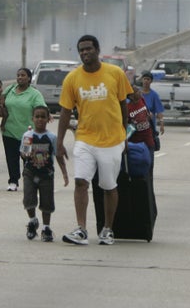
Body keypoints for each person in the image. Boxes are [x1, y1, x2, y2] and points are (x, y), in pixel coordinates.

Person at [56, 35, 132, 246]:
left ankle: (107, 229)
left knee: (108, 186)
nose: (85, 53)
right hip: (85, 139)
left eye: (88, 49)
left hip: (112, 140)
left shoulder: (115, 73)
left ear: (97, 50)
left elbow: (124, 105)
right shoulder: (72, 79)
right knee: (80, 181)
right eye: (81, 50)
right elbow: (65, 112)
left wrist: (124, 135)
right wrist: (59, 142)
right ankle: (81, 229)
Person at [20, 105, 69, 242]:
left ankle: (46, 228)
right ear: (32, 119)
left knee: (47, 200)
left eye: (43, 117)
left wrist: (65, 173)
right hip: (30, 172)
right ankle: (32, 221)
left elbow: (58, 155)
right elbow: (23, 154)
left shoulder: (51, 137)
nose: (40, 120)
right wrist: (25, 154)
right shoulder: (28, 135)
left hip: (46, 174)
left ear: (48, 119)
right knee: (29, 198)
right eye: (37, 117)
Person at [1, 67, 47, 192]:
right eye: (18, 75)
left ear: (29, 78)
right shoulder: (10, 89)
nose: (20, 77)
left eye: (23, 75)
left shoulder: (34, 94)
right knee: (11, 158)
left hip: (27, 134)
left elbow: (41, 108)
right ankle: (13, 181)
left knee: (28, 158)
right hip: (9, 131)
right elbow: (0, 102)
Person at [126, 85, 156, 173]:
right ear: (131, 96)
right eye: (137, 91)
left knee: (150, 166)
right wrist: (132, 125)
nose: (140, 93)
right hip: (137, 144)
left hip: (148, 140)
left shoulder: (142, 100)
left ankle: (149, 185)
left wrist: (149, 116)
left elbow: (148, 113)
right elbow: (125, 125)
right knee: (141, 169)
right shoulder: (128, 108)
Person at [138, 71, 165, 149]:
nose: (146, 81)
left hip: (149, 127)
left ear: (151, 81)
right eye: (145, 79)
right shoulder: (137, 93)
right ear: (142, 80)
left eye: (148, 79)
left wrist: (162, 124)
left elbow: (159, 111)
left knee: (149, 148)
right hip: (137, 126)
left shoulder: (154, 95)